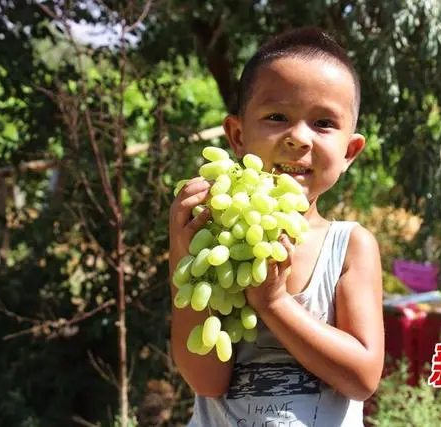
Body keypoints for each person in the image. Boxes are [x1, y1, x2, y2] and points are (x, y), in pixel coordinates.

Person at [168, 27, 384, 427]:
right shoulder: (214, 238)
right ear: (236, 135)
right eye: (277, 117)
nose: (298, 138)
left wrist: (275, 304)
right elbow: (206, 380)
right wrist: (183, 251)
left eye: (322, 123)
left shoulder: (350, 247)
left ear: (350, 151)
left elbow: (362, 378)